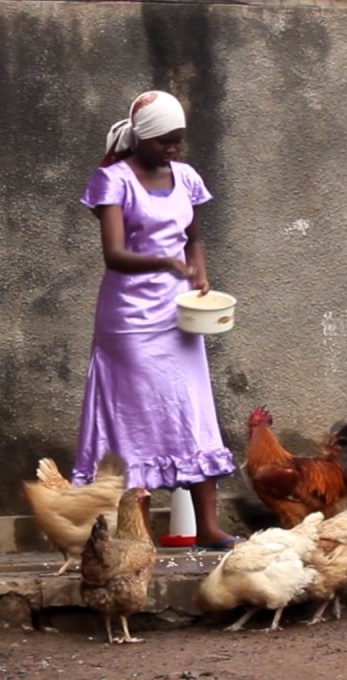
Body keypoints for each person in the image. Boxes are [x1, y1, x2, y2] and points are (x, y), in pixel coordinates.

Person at [71, 90, 240, 550]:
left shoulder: (186, 178)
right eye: (165, 140)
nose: (173, 149)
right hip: (129, 321)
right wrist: (165, 262)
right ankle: (137, 533)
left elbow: (194, 238)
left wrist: (198, 270)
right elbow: (114, 254)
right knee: (134, 420)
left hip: (180, 314)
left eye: (178, 140)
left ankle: (207, 527)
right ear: (141, 137)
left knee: (192, 408)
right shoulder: (114, 180)